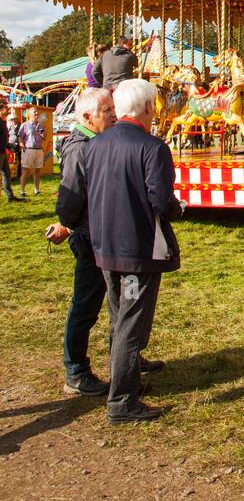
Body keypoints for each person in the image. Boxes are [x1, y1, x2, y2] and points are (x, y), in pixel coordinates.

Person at [84, 78, 182, 423]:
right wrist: (176, 209)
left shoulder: (95, 145)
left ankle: (126, 381)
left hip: (105, 245)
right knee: (131, 323)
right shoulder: (152, 147)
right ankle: (122, 400)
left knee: (118, 317)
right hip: (137, 248)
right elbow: (160, 198)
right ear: (147, 108)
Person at [46, 87, 117, 394]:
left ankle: (124, 358)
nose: (113, 115)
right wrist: (65, 223)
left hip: (103, 231)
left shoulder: (96, 141)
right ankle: (75, 370)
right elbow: (70, 195)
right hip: (89, 235)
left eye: (114, 109)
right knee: (86, 304)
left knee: (118, 301)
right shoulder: (79, 148)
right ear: (88, 117)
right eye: (107, 111)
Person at [18, 105, 46, 196]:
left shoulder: (41, 125)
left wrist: (44, 133)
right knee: (26, 170)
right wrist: (22, 146)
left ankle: (36, 190)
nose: (37, 113)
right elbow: (20, 137)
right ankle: (22, 190)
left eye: (37, 112)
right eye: (35, 112)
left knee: (37, 170)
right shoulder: (25, 125)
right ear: (29, 114)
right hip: (29, 150)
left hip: (39, 150)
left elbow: (44, 137)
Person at [0, 102, 22, 202]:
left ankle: (10, 197)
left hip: (3, 152)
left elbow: (4, 138)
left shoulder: (3, 122)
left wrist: (9, 146)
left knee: (7, 174)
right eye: (6, 108)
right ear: (1, 110)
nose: (8, 110)